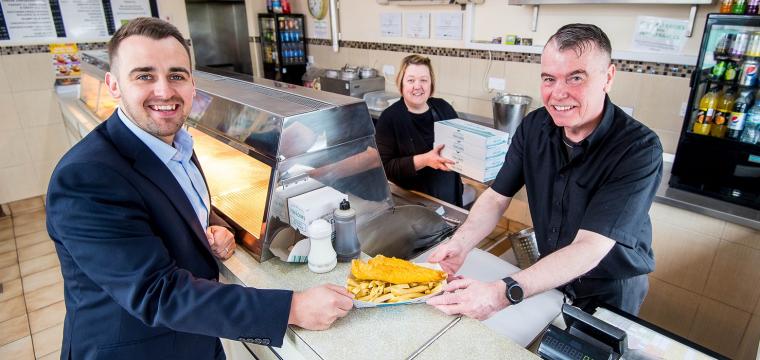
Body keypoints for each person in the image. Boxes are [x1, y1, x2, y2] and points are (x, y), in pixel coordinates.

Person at [46, 17, 353, 360]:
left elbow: (170, 214)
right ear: (114, 85)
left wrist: (209, 231)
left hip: (196, 342)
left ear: (193, 84)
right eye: (144, 76)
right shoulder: (87, 178)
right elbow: (156, 293)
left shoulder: (178, 145)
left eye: (176, 75)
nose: (164, 91)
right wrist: (292, 308)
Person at [427, 24, 662, 319]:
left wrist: (501, 293)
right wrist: (460, 244)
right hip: (551, 275)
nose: (558, 93)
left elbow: (590, 247)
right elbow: (497, 197)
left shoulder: (638, 148)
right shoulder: (534, 126)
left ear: (608, 77)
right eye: (549, 79)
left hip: (609, 288)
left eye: (576, 77)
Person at [375, 54, 464, 207]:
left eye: (423, 80)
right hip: (412, 205)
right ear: (401, 83)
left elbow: (460, 144)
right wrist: (425, 160)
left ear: (431, 84)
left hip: (450, 201)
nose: (418, 86)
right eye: (411, 80)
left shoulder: (443, 108)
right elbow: (385, 168)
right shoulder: (390, 118)